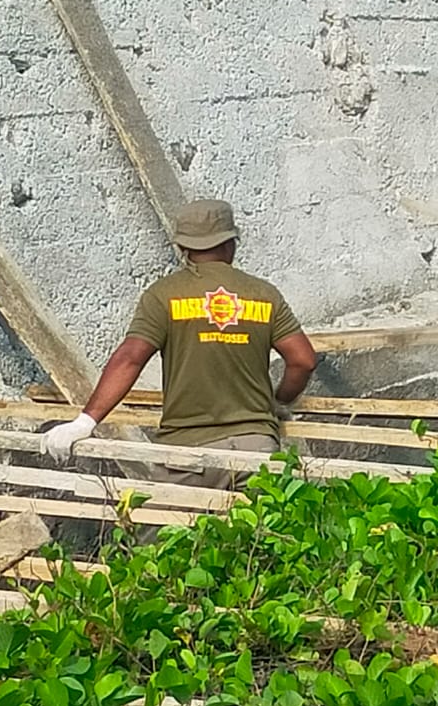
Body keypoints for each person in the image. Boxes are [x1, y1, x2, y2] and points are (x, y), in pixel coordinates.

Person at [42, 199, 317, 489]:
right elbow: (303, 361)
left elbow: (130, 358)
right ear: (230, 244)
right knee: (264, 519)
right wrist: (279, 401)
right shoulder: (264, 294)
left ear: (184, 247)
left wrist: (85, 422)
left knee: (165, 519)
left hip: (187, 453)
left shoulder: (164, 295)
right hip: (256, 449)